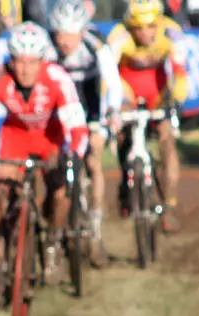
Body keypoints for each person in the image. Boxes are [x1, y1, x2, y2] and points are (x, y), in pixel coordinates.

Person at [0, 20, 88, 302]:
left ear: (42, 61)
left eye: (32, 62)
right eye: (19, 62)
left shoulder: (57, 77)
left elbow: (78, 126)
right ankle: (0, 278)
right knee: (2, 201)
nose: (25, 69)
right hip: (16, 136)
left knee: (60, 194)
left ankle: (53, 245)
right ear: (11, 60)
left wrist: (75, 152)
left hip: (50, 135)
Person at [47, 0, 122, 267]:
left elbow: (114, 84)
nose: (64, 41)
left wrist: (113, 111)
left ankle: (95, 230)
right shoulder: (47, 50)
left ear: (81, 31)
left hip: (89, 107)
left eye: (70, 34)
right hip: (59, 111)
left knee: (92, 162)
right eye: (60, 34)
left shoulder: (96, 46)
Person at [106, 0, 187, 233]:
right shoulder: (119, 36)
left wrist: (176, 101)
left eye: (150, 26)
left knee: (167, 140)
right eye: (138, 28)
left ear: (158, 23)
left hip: (157, 90)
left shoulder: (172, 32)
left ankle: (169, 207)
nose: (145, 33)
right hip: (127, 87)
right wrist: (115, 106)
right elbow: (109, 75)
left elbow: (180, 74)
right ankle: (125, 179)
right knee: (123, 134)